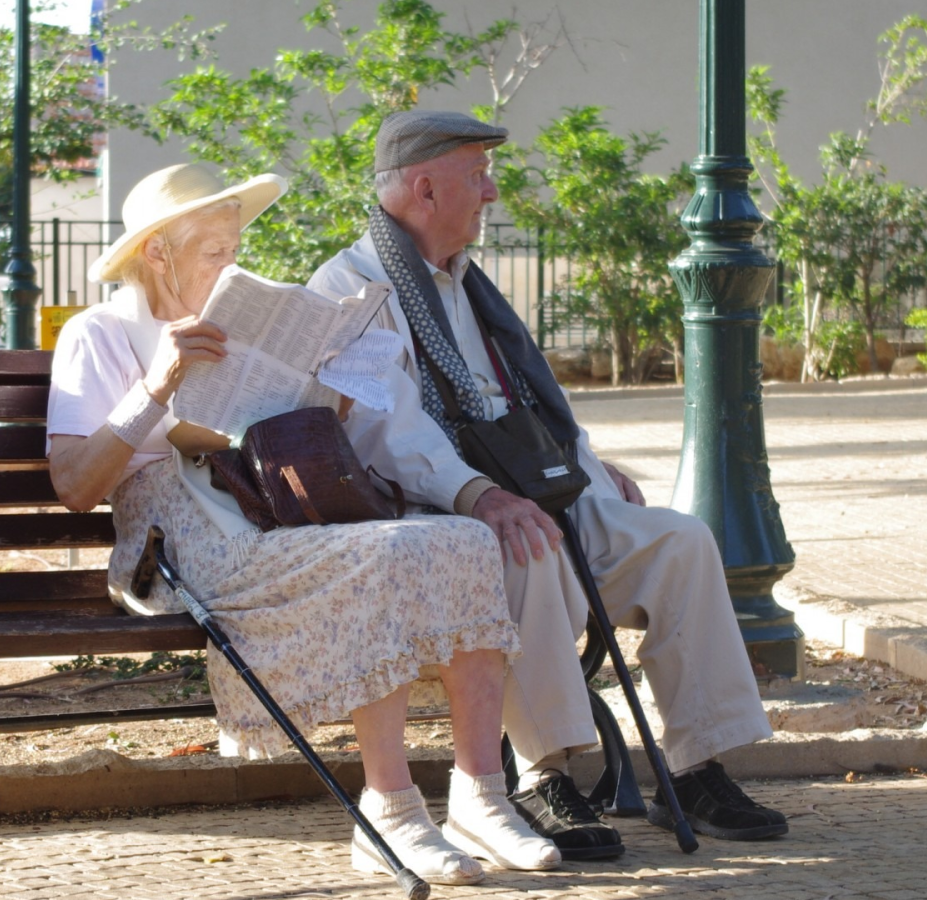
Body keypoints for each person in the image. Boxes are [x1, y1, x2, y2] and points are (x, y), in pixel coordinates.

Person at [46, 163, 565, 885]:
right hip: (177, 540)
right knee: (377, 557)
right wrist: (156, 384)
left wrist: (328, 391)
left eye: (234, 246)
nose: (232, 263)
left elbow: (279, 428)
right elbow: (74, 485)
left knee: (463, 538)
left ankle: (480, 795)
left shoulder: (234, 320)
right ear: (157, 252)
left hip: (266, 508)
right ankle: (390, 809)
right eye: (214, 251)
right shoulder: (98, 332)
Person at [307, 110, 788, 860]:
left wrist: (591, 472)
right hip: (445, 513)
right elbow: (385, 430)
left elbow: (524, 403)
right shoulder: (350, 285)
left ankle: (696, 766)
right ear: (424, 188)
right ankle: (544, 773)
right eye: (479, 175)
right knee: (525, 547)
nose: (493, 193)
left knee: (680, 541)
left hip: (531, 491)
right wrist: (480, 496)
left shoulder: (467, 283)